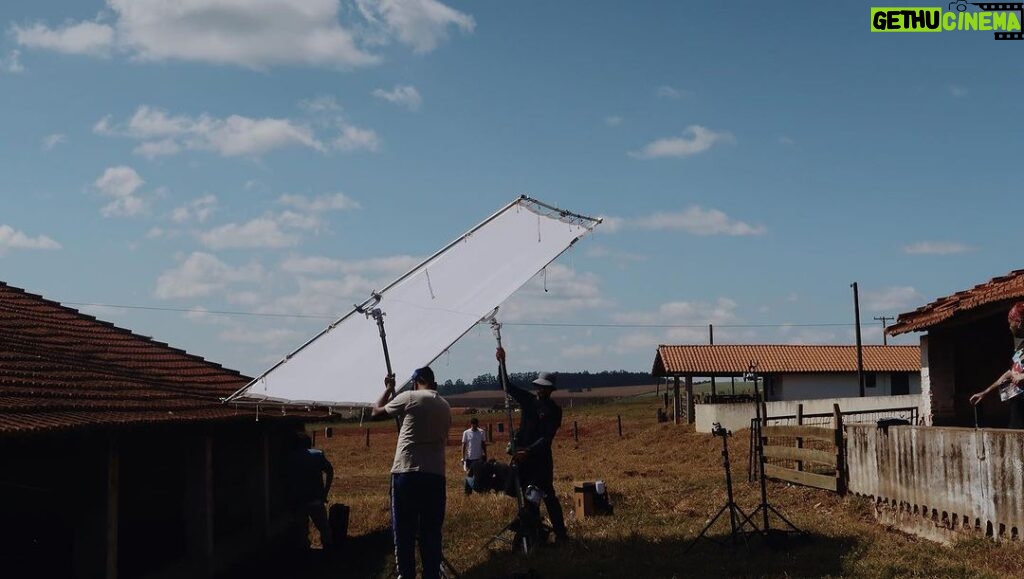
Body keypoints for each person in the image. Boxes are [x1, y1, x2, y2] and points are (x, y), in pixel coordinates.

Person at [372, 366, 452, 579]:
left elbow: (376, 411)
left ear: (417, 382)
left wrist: (389, 389)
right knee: (431, 532)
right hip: (435, 474)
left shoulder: (409, 397)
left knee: (404, 531)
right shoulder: (445, 406)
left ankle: (406, 574)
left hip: (407, 471)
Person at [495, 347, 568, 542]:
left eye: (546, 387)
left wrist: (528, 451)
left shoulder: (554, 411)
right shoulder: (528, 400)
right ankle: (531, 529)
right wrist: (502, 363)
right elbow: (506, 386)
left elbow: (547, 438)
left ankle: (561, 534)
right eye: (540, 386)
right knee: (524, 495)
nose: (541, 390)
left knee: (547, 496)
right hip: (522, 457)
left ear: (551, 390)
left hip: (541, 460)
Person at [970, 302, 1024, 428]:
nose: (1010, 327)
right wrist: (985, 392)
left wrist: (1022, 377)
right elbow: (1010, 372)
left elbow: (1018, 375)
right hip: (1017, 404)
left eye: (1011, 323)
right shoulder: (1021, 347)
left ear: (1019, 322)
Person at [286, 431, 334, 550]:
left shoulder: (290, 457)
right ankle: (330, 554)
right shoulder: (317, 455)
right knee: (324, 529)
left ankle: (304, 557)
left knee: (301, 532)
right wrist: (325, 491)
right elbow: (330, 471)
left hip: (298, 501)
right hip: (316, 499)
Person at [462, 417, 487, 494]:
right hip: (470, 458)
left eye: (476, 425)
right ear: (471, 425)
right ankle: (468, 492)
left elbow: (483, 444)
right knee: (469, 475)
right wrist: (463, 457)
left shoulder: (481, 432)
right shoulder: (466, 433)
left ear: (477, 424)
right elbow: (464, 445)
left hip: (479, 458)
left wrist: (485, 454)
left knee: (480, 475)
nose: (475, 427)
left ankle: (481, 491)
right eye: (473, 425)